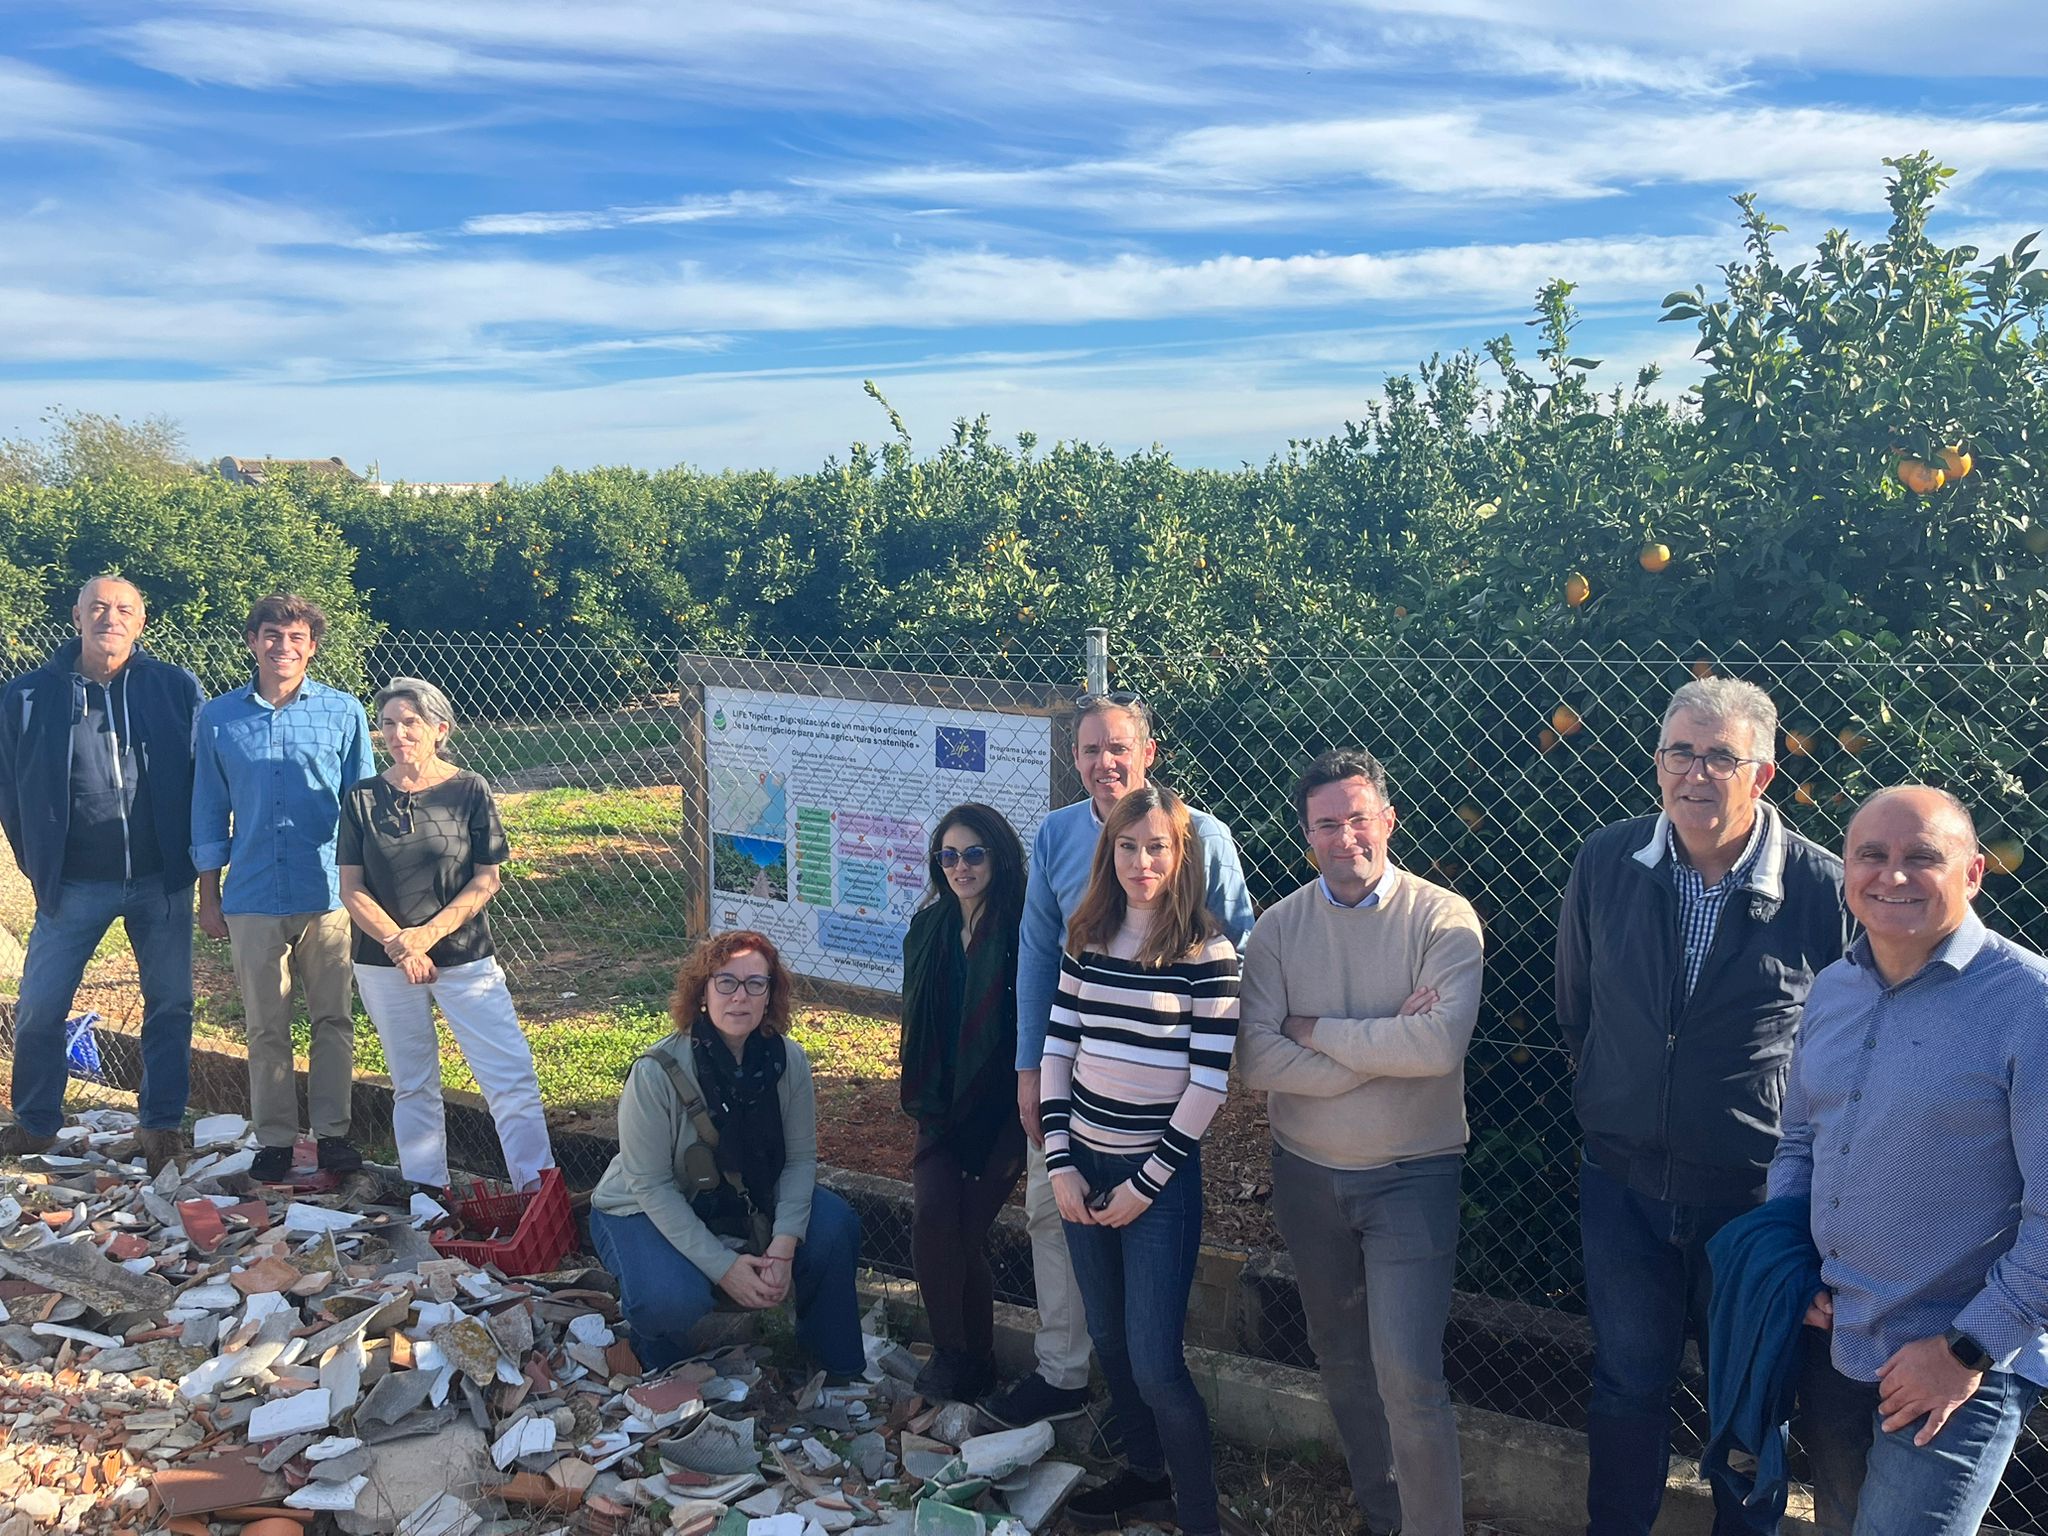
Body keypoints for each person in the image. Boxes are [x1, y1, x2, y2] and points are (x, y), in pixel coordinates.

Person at [1555, 676, 1848, 1536]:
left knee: (1750, 1403)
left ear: (1761, 774)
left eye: (1720, 755)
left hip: (1754, 1200)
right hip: (1622, 1185)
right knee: (1625, 1387)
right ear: (1657, 763)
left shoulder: (1823, 889)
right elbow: (1578, 1010)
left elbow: (1844, 1048)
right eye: (1680, 751)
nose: (1695, 772)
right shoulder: (1605, 861)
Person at [1769, 786, 2047, 1535]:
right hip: (1837, 1342)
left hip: (1958, 1367)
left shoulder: (2032, 1004)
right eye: (1873, 856)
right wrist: (1789, 1265)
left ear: (1975, 873)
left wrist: (1966, 1347)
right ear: (1846, 871)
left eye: (1922, 858)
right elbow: (1801, 1141)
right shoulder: (1832, 990)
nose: (1892, 876)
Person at [990, 690, 1254, 1432]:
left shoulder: (1206, 836)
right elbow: (1040, 956)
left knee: (1148, 1284)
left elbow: (1240, 951)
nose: (1104, 763)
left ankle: (1151, 1420)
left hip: (1166, 1104)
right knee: (1058, 1217)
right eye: (1089, 750)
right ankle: (1075, 1378)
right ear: (1073, 759)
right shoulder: (1055, 836)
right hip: (1071, 1085)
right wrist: (1029, 1071)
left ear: (1148, 754)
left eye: (1118, 748)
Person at [1238, 748, 1484, 1536]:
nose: (1345, 838)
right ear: (1306, 835)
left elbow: (1438, 1049)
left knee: (1409, 1374)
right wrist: (1379, 1052)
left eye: (1357, 819)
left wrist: (1313, 1035)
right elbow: (1256, 1061)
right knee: (1340, 1360)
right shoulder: (1276, 931)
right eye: (1326, 825)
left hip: (1413, 1174)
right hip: (1307, 1175)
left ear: (1388, 819)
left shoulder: (1444, 919)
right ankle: (1386, 1517)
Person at [1043, 785, 1244, 1536]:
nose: (1141, 860)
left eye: (1156, 845)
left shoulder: (1207, 952)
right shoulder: (1086, 936)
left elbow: (1207, 1084)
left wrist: (1145, 1184)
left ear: (1180, 853)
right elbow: (1059, 1047)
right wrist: (1061, 1163)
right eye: (1127, 846)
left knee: (1158, 1363)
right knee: (1110, 1341)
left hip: (1156, 1182)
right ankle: (1143, 1476)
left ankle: (1200, 1516)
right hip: (1081, 1170)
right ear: (1110, 853)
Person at [589, 931, 863, 1377]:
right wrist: (724, 1269)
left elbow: (799, 1161)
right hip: (642, 1207)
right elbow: (651, 1186)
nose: (741, 997)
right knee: (669, 1297)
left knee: (834, 1225)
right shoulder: (655, 1072)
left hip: (742, 1200)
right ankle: (658, 1358)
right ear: (702, 991)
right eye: (726, 982)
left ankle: (831, 1370)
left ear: (771, 993)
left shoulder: (787, 1061)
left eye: (756, 983)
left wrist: (783, 1246)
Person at [0, 576, 204, 1171]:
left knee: (170, 1004)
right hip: (72, 884)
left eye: (123, 609)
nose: (108, 618)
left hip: (161, 878)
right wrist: (37, 864)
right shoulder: (28, 695)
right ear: (77, 617)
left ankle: (161, 1125)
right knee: (40, 1005)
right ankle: (36, 1124)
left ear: (141, 622)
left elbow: (200, 774)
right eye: (97, 607)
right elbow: (10, 791)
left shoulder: (173, 687)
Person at [337, 677, 552, 1195]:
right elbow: (351, 888)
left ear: (439, 728)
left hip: (463, 957)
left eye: (409, 722)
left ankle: (537, 1194)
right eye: (388, 723)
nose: (397, 733)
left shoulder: (469, 789)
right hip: (382, 961)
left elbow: (487, 878)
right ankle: (427, 1199)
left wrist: (424, 938)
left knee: (510, 1079)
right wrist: (399, 944)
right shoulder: (362, 797)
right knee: (412, 1084)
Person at [192, 594, 375, 1183]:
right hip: (250, 893)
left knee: (333, 1020)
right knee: (265, 1025)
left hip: (326, 892)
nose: (283, 646)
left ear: (312, 647)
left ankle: (333, 1137)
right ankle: (273, 1140)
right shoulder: (219, 718)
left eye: (296, 637)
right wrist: (209, 892)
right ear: (253, 641)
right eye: (272, 634)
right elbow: (208, 807)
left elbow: (362, 805)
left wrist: (367, 890)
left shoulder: (343, 712)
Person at [898, 802, 1029, 1404]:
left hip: (1005, 1110)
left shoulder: (1027, 928)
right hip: (939, 1106)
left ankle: (971, 1359)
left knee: (965, 1230)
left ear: (998, 857)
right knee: (933, 1221)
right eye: (948, 855)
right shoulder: (927, 929)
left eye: (973, 853)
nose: (960, 866)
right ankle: (962, 1355)